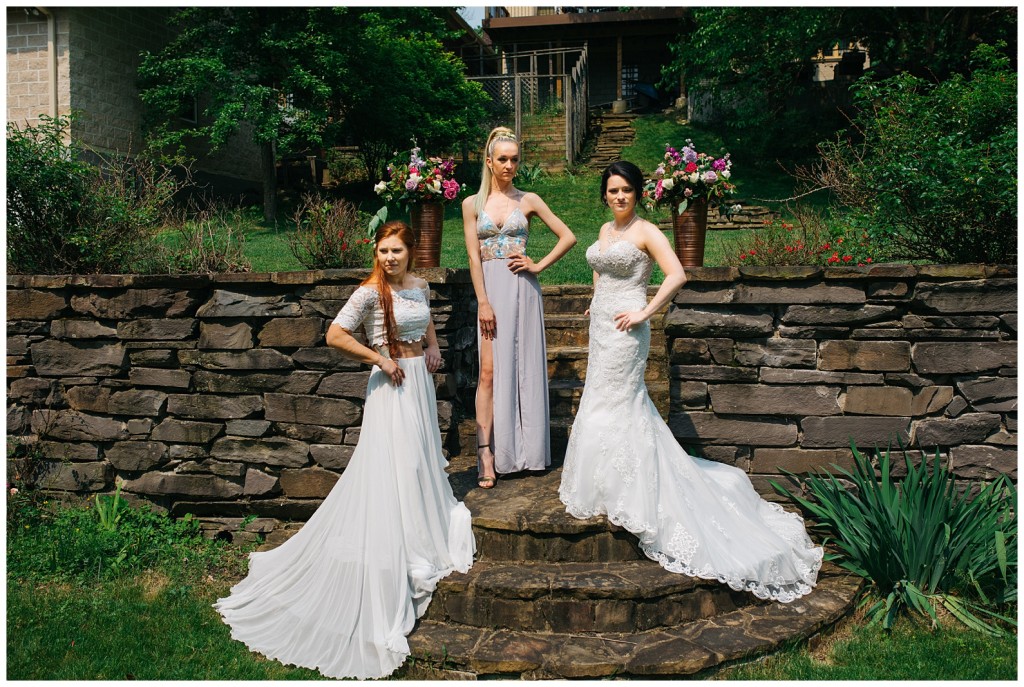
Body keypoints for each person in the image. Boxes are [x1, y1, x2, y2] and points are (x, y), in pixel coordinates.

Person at [214, 221, 475, 679]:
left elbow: (427, 321)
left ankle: (419, 527)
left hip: (419, 384)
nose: (389, 258)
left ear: (411, 253)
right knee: (397, 464)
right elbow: (336, 335)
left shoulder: (418, 286)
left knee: (418, 465)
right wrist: (378, 358)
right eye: (383, 251)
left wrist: (433, 349)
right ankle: (395, 537)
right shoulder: (370, 292)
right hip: (391, 385)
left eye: (396, 251)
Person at [558, 161, 822, 602]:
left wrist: (645, 311)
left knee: (622, 403)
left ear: (638, 193)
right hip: (602, 326)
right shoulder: (605, 231)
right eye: (612, 190)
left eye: (625, 190)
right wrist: (593, 301)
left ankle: (635, 489)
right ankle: (603, 482)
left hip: (628, 329)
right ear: (604, 195)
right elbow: (601, 270)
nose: (618, 197)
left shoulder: (646, 231)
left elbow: (676, 273)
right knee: (600, 400)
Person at [463, 126, 577, 488]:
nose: (510, 165)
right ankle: (486, 453)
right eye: (503, 159)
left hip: (522, 289)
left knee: (526, 369)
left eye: (514, 159)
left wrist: (538, 265)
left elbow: (569, 236)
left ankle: (529, 452)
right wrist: (483, 301)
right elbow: (471, 256)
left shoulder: (528, 200)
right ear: (489, 162)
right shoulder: (472, 205)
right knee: (488, 372)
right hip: (491, 293)